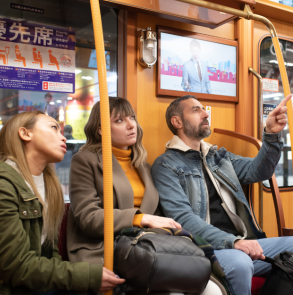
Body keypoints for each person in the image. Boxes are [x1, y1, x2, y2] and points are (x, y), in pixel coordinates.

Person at [67, 97, 225, 295]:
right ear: (100, 129)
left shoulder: (143, 165)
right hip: (105, 249)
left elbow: (156, 210)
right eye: (119, 121)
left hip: (145, 244)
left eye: (131, 118)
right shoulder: (85, 161)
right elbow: (87, 217)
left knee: (211, 289)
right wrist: (141, 218)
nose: (131, 125)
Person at [151, 94, 293, 295]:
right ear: (177, 122)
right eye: (195, 110)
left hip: (238, 240)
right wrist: (233, 242)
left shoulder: (218, 157)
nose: (204, 114)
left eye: (204, 109)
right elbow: (183, 219)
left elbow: (259, 171)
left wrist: (271, 134)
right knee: (241, 262)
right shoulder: (165, 166)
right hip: (203, 248)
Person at [0, 111, 124, 295]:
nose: (63, 137)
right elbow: (16, 267)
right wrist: (87, 276)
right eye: (54, 128)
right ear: (25, 134)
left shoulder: (48, 187)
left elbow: (49, 253)